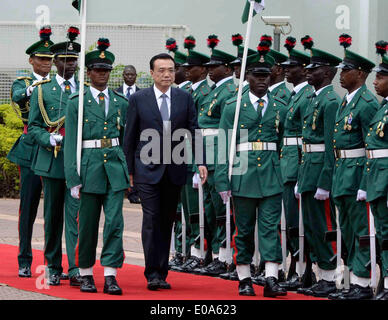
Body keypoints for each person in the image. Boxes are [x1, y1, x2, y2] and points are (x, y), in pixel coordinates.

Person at [123, 53, 207, 290]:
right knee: (151, 218)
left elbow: (195, 130)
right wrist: (128, 171)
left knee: (167, 220)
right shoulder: (139, 99)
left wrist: (200, 161)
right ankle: (152, 272)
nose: (167, 74)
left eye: (170, 70)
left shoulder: (184, 98)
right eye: (161, 70)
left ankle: (162, 269)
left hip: (175, 169)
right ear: (151, 73)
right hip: (146, 170)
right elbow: (129, 138)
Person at [215, 45, 288, 297]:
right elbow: (224, 145)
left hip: (270, 173)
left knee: (270, 227)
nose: (261, 80)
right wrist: (222, 181)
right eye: (256, 76)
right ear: (247, 77)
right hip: (242, 172)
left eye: (265, 76)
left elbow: (282, 140)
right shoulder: (233, 106)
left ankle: (270, 278)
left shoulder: (279, 106)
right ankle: (244, 276)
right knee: (243, 229)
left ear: (271, 77)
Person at [64, 38, 129, 295]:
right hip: (88, 168)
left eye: (106, 71)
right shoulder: (76, 102)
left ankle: (111, 274)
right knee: (87, 224)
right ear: (88, 72)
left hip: (114, 168)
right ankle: (86, 273)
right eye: (97, 70)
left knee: (115, 222)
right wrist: (72, 177)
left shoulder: (121, 102)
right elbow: (71, 143)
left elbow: (127, 140)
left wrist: (128, 171)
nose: (102, 74)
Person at [28, 27, 82, 287]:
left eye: (73, 61)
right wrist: (49, 138)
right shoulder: (42, 90)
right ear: (55, 62)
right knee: (52, 217)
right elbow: (34, 126)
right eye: (65, 60)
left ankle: (74, 267)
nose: (70, 65)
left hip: (76, 165)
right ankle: (52, 265)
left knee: (75, 217)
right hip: (52, 160)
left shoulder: (83, 90)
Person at [328, 34, 379, 300]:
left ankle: (362, 282)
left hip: (358, 171)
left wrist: (364, 184)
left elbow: (372, 146)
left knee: (361, 231)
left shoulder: (368, 104)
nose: (341, 75)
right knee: (346, 229)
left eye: (346, 71)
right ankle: (347, 280)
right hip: (342, 172)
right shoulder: (346, 101)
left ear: (360, 74)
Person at [296, 36, 342, 298]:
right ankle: (318, 272)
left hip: (320, 170)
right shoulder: (313, 99)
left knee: (325, 225)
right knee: (312, 225)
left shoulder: (330, 101)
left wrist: (326, 181)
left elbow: (329, 145)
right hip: (308, 168)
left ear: (328, 72)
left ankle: (329, 273)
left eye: (314, 69)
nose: (308, 72)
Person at [7, 26, 53, 278]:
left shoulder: (58, 85)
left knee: (54, 209)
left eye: (49, 60)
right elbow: (16, 95)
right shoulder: (24, 82)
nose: (46, 63)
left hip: (54, 149)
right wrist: (31, 90)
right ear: (31, 60)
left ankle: (52, 261)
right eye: (42, 59)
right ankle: (24, 259)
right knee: (28, 208)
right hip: (31, 150)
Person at [194, 36, 237, 277]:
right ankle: (213, 252)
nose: (210, 70)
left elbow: (224, 132)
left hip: (218, 156)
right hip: (206, 157)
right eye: (209, 67)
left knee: (222, 211)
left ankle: (225, 255)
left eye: (215, 66)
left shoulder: (230, 91)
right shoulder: (212, 91)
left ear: (228, 69)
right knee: (210, 209)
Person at [278, 36, 314, 291]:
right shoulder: (294, 95)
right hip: (287, 163)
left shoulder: (308, 96)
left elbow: (307, 138)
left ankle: (304, 267)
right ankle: (294, 264)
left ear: (304, 70)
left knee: (298, 221)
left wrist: (302, 170)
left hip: (298, 163)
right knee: (289, 221)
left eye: (292, 67)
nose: (286, 71)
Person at [174, 48, 214, 273]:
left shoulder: (207, 92)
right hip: (183, 156)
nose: (187, 71)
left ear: (204, 70)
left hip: (196, 157)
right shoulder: (187, 91)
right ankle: (187, 250)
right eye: (185, 68)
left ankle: (201, 252)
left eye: (191, 68)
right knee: (186, 209)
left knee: (200, 210)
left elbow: (197, 129)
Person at [365, 41, 388, 300]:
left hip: (385, 177)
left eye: (381, 77)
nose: (376, 81)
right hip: (377, 176)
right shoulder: (383, 107)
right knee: (382, 232)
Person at [116, 65, 141, 204]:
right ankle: (123, 189)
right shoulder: (116, 93)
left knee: (135, 163)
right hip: (121, 134)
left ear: (136, 76)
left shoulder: (142, 93)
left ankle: (134, 193)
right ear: (123, 76)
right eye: (127, 74)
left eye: (132, 75)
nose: (130, 77)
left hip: (137, 135)